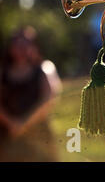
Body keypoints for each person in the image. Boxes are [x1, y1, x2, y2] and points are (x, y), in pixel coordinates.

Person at [0, 26, 62, 161]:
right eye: (17, 44)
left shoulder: (44, 68)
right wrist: (11, 123)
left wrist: (23, 123)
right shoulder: (3, 72)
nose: (21, 48)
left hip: (38, 136)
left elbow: (49, 98)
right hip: (7, 136)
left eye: (26, 44)